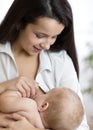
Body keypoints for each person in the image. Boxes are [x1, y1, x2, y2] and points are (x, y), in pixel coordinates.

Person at [0, 0, 89, 130]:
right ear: (19, 22)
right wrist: (4, 86)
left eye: (54, 37)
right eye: (40, 35)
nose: (47, 45)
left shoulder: (61, 62)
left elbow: (80, 127)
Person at [0, 87, 84, 130]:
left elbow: (3, 102)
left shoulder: (30, 106)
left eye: (46, 93)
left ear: (43, 106)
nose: (41, 93)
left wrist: (17, 93)